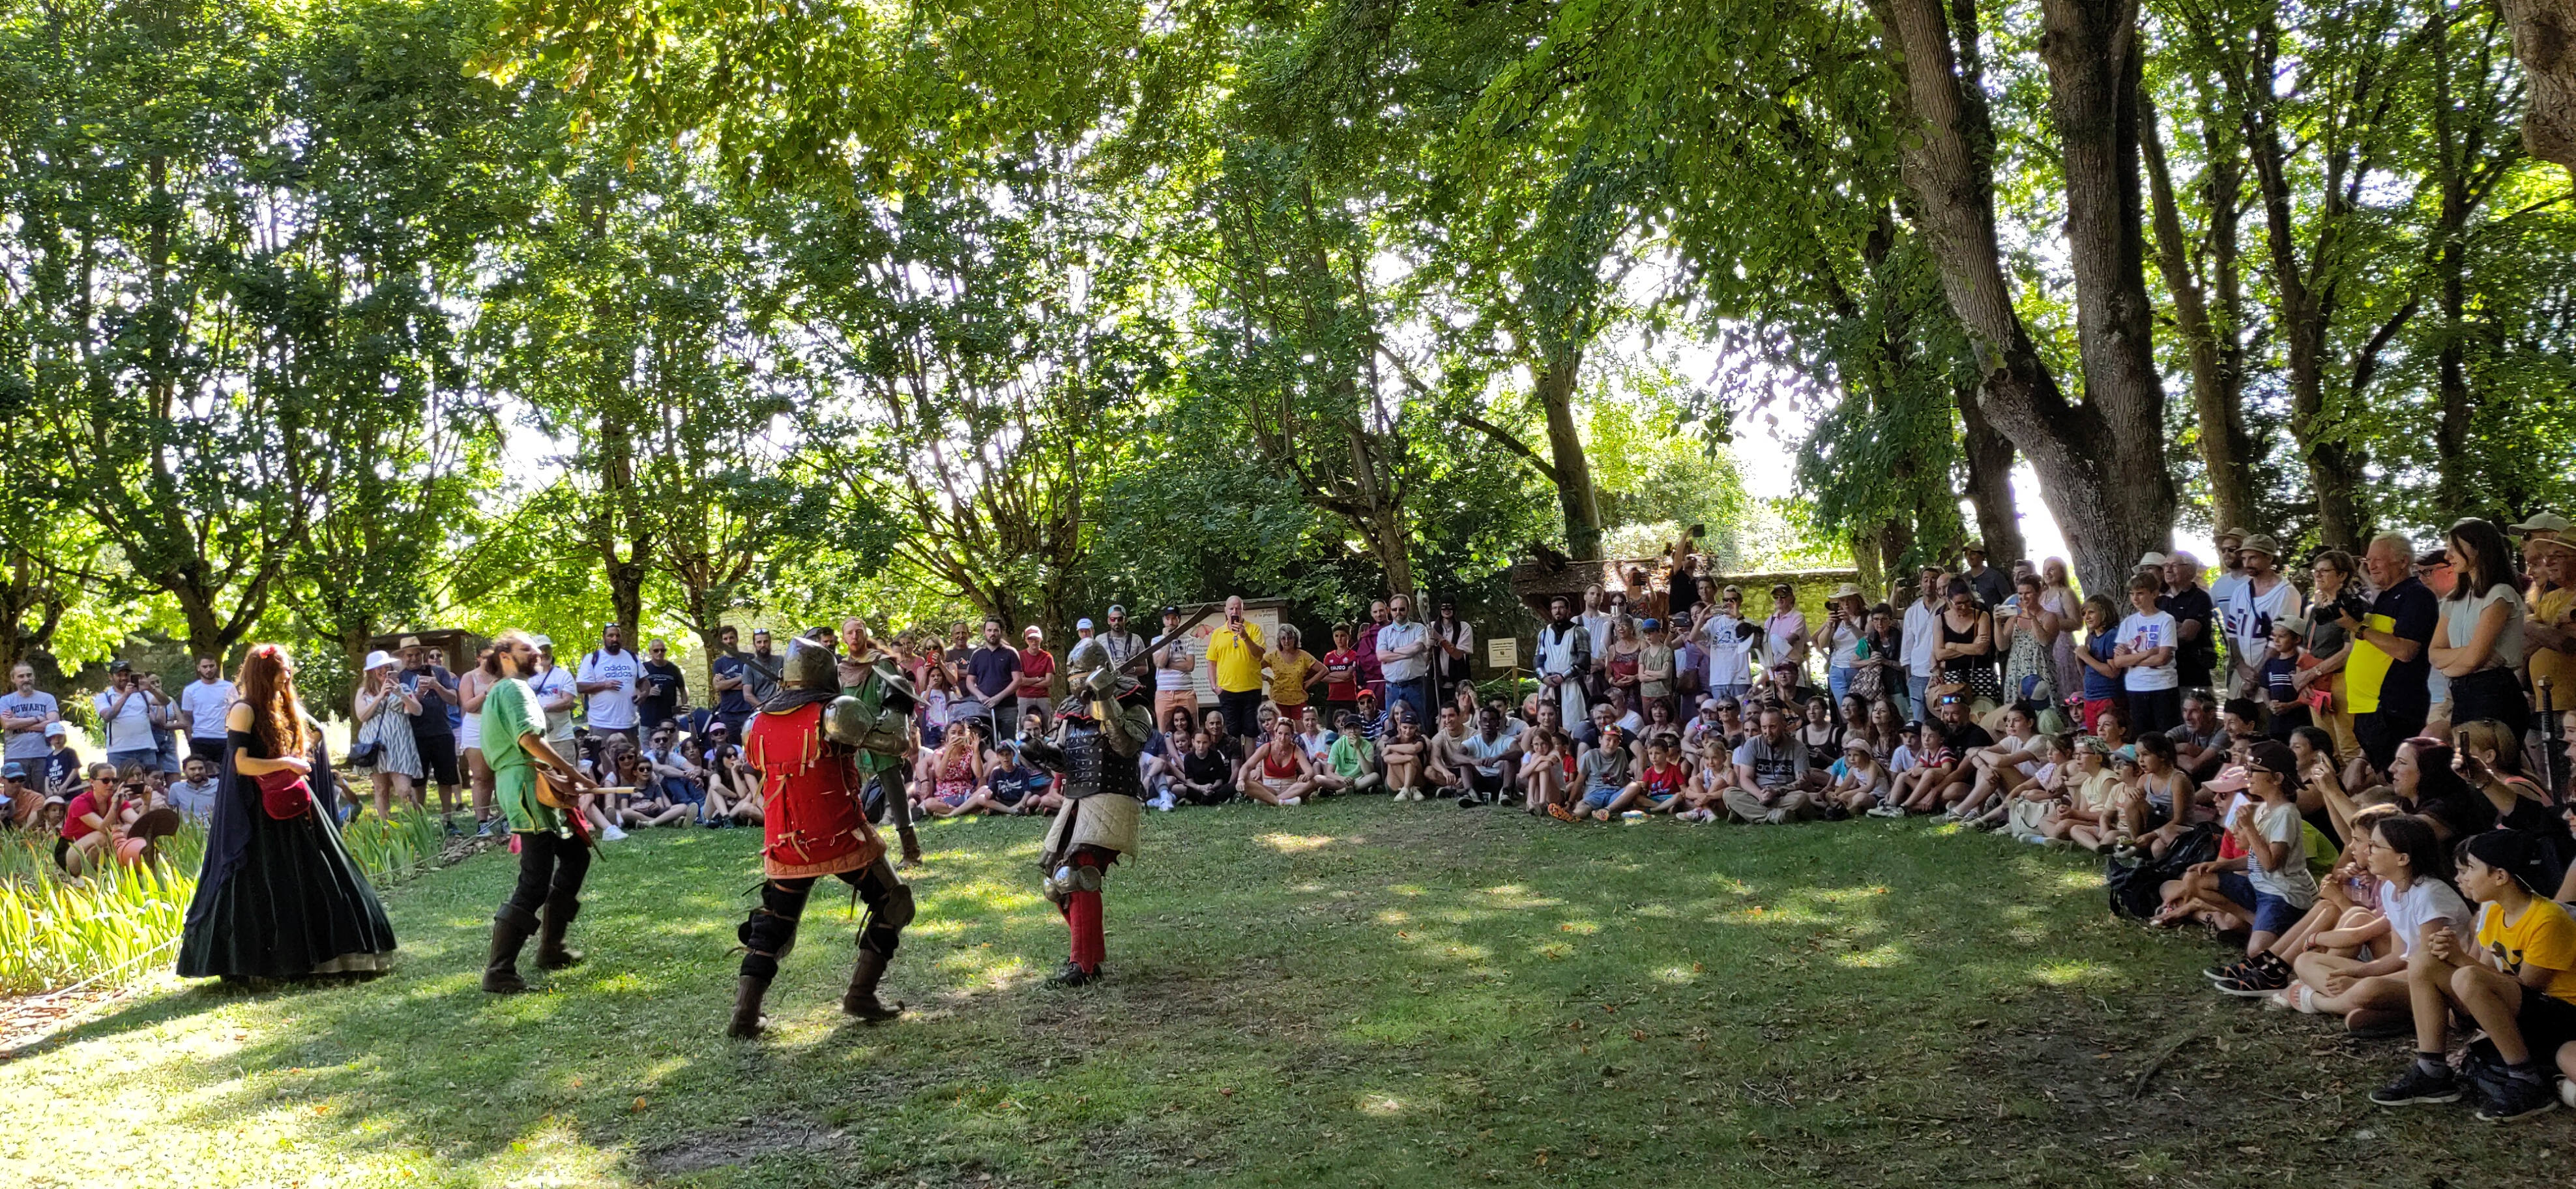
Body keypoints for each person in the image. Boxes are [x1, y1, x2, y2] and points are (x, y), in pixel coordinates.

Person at [727, 635, 920, 1036]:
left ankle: (745, 1015)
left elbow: (760, 763)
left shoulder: (755, 722)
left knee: (774, 924)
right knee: (894, 902)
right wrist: (899, 700)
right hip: (838, 832)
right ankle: (861, 994)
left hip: (785, 840)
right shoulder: (833, 712)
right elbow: (896, 743)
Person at [176, 644, 397, 982]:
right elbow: (240, 764)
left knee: (323, 872)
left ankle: (332, 956)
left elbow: (313, 734)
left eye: (289, 668)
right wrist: (285, 763)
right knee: (262, 881)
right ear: (264, 673)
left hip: (294, 801)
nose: (288, 675)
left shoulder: (284, 704)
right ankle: (264, 966)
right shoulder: (243, 709)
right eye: (282, 669)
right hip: (257, 811)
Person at [2370, 830, 2576, 1121]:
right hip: (2523, 1007)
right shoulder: (2494, 912)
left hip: (2563, 1016)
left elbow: (2528, 988)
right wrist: (2453, 960)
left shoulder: (2547, 919)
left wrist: (2459, 958)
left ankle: (2525, 1078)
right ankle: (2432, 1070)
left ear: (2501, 876)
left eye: (2469, 870)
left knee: (2468, 976)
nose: (2461, 878)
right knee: (2423, 963)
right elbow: (2490, 976)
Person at [471, 630, 604, 993]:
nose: (537, 653)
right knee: (535, 879)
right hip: (527, 787)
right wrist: (576, 776)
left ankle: (551, 947)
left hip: (533, 785)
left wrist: (562, 776)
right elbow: (530, 740)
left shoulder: (505, 691)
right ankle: (499, 972)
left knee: (575, 855)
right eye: (526, 648)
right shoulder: (513, 689)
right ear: (505, 656)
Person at [1021, 663, 1154, 988]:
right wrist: (1040, 751)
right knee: (1057, 879)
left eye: (1084, 676)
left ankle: (1083, 964)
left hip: (1113, 795)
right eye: (1074, 675)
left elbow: (1125, 746)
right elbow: (1066, 758)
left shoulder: (1133, 702)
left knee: (1080, 872)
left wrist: (1107, 699)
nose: (1079, 683)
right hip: (1078, 796)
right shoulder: (1071, 709)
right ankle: (1089, 956)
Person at [2343, 533, 2441, 774]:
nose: (2370, 566)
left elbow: (2405, 651)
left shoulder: (2416, 595)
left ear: (2403, 561)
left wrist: (2357, 627)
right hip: (2369, 710)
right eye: (2367, 560)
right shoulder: (2385, 596)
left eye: (2378, 560)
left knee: (2400, 782)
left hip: (2393, 710)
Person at [2431, 518, 2530, 739]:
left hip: (2493, 691)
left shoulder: (2500, 594)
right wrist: (2466, 654)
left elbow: (2473, 659)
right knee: (2467, 765)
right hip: (2461, 691)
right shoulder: (2453, 600)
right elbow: (2435, 654)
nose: (2448, 557)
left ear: (2478, 548)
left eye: (2453, 548)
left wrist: (2450, 668)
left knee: (2490, 763)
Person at [396, 637, 464, 822]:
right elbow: (401, 710)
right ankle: (421, 822)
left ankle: (447, 820)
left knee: (446, 780)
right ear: (403, 656)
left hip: (442, 731)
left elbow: (453, 699)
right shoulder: (400, 677)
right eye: (410, 655)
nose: (414, 658)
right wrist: (418, 694)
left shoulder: (439, 672)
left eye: (418, 654)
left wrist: (436, 685)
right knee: (419, 782)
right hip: (415, 735)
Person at [351, 651, 422, 822]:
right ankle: (387, 831)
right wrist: (380, 696)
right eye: (379, 668)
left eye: (388, 667)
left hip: (400, 747)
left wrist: (402, 694)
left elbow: (418, 711)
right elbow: (362, 716)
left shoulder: (403, 688)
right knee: (381, 790)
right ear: (371, 672)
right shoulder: (363, 693)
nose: (384, 671)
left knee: (404, 790)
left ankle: (419, 826)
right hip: (376, 748)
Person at [2114, 572, 2183, 735]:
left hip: (2162, 685)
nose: (2135, 599)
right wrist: (2148, 653)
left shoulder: (2165, 620)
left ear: (2154, 594)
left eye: (2140, 593)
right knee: (2143, 737)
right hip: (2136, 687)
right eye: (2132, 594)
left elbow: (2162, 658)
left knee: (2166, 736)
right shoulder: (2128, 623)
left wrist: (2131, 659)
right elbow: (2117, 662)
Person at [1726, 706, 1820, 825]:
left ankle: (1749, 814)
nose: (1768, 733)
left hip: (1783, 796)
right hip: (1757, 794)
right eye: (1764, 728)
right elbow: (1745, 778)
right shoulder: (1752, 744)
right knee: (1729, 794)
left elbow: (1803, 781)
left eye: (1773, 727)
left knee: (1801, 798)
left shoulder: (1798, 748)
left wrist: (1776, 792)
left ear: (1783, 725)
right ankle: (1775, 816)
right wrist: (1761, 795)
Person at [457, 651, 505, 837]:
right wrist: (487, 692)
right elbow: (468, 706)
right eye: (485, 657)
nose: (489, 661)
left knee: (501, 774)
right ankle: (482, 823)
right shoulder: (470, 677)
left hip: (499, 727)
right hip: (476, 727)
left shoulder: (503, 676)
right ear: (478, 657)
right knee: (481, 777)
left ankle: (505, 820)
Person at [575, 624, 643, 749]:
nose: (614, 639)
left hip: (629, 723)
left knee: (630, 763)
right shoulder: (593, 658)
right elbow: (580, 687)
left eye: (618, 635)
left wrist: (643, 694)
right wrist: (604, 685)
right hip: (602, 724)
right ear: (604, 638)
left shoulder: (633, 657)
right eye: (610, 635)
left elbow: (645, 682)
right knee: (603, 764)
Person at [93, 661, 161, 773]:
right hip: (119, 751)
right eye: (119, 675)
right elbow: (108, 716)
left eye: (126, 675)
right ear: (111, 677)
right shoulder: (104, 697)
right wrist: (126, 695)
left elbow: (164, 701)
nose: (124, 678)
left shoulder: (142, 693)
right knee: (120, 784)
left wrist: (150, 688)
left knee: (150, 783)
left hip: (146, 748)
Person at [1373, 593, 1432, 724]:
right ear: (1390, 610)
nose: (1398, 612)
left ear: (1408, 609)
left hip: (1414, 686)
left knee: (1419, 724)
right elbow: (1381, 656)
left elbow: (1417, 648)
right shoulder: (1384, 632)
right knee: (1393, 726)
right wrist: (1407, 654)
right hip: (1392, 687)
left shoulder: (1419, 628)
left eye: (1402, 609)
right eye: (1394, 610)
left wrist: (1392, 651)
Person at [0, 663, 57, 785]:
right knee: (17, 798)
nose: (26, 679)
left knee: (44, 797)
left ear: (34, 677)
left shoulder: (47, 698)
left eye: (29, 675)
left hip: (43, 755)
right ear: (13, 679)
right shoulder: (5, 701)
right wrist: (37, 719)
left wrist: (18, 721)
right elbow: (7, 724)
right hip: (15, 756)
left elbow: (52, 725)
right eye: (21, 676)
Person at [1240, 717, 1317, 806]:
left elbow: (1310, 771)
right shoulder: (1266, 747)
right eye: (1280, 733)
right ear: (1275, 734)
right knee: (1246, 782)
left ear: (1292, 735)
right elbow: (1247, 766)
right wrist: (1240, 780)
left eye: (1287, 734)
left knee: (1314, 781)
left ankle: (1268, 800)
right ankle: (1281, 802)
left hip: (1290, 789)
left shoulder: (1296, 750)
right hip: (1269, 788)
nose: (1283, 738)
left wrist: (1307, 775)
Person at [173, 655, 235, 765]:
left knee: (225, 775)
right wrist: (190, 740)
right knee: (202, 774)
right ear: (198, 668)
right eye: (205, 667)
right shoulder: (190, 690)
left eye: (211, 666)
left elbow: (235, 713)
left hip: (224, 738)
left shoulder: (228, 687)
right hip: (200, 738)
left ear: (216, 666)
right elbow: (187, 717)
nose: (209, 670)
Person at [1150, 606, 1199, 735]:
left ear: (1179, 620)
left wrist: (1168, 664)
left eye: (1174, 619)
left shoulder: (1188, 640)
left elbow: (1190, 666)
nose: (1171, 622)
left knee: (1192, 729)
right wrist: (1168, 641)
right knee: (1163, 731)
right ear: (1163, 620)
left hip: (1186, 691)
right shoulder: (1156, 641)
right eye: (1168, 619)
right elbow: (1160, 663)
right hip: (1164, 693)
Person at [1265, 624, 1324, 726]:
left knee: (1303, 732)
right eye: (1283, 638)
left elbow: (1324, 670)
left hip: (1298, 700)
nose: (1287, 641)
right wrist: (1267, 678)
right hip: (1279, 700)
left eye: (1290, 638)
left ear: (1295, 639)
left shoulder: (1304, 656)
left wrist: (1308, 683)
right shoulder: (1273, 656)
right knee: (1282, 731)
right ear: (1279, 640)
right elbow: (1254, 667)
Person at [709, 625, 755, 741]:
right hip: (728, 713)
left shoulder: (749, 658)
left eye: (731, 638)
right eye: (725, 639)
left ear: (737, 639)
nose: (729, 641)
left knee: (753, 743)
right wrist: (741, 678)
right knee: (733, 748)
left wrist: (727, 684)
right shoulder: (719, 663)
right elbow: (718, 686)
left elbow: (753, 683)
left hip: (748, 710)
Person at [1429, 598, 1475, 705]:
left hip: (1457, 682)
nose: (1446, 610)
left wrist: (1440, 638)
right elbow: (1424, 657)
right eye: (1443, 607)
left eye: (1449, 607)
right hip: (1435, 681)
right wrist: (1428, 646)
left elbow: (1457, 655)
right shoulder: (1432, 627)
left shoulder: (1464, 628)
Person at [1016, 625, 1058, 729]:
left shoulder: (1047, 657)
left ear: (1041, 639)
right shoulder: (1020, 656)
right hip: (1024, 697)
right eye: (1030, 639)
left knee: (1047, 726)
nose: (1034, 642)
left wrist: (1028, 681)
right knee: (1023, 726)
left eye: (1036, 639)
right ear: (1026, 640)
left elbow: (1049, 682)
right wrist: (1038, 679)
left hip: (1043, 696)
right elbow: (1019, 681)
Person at [1961, 542, 2012, 609]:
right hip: (1970, 617)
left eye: (1973, 554)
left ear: (1982, 556)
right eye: (1966, 555)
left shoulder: (1995, 576)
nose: (1969, 557)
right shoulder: (1964, 578)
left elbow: (2009, 600)